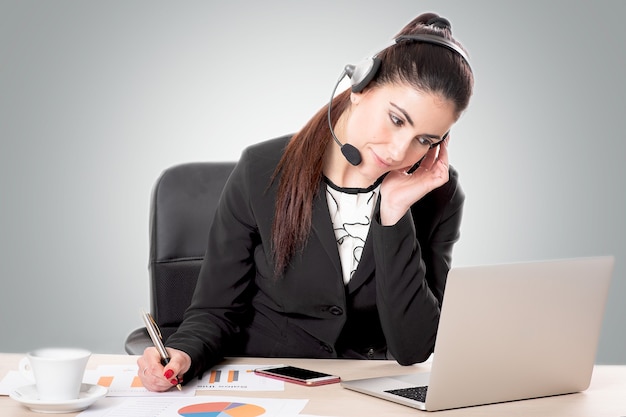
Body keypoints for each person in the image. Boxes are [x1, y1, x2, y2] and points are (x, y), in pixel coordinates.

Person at [138, 11, 474, 392]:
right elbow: (215, 311)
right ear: (361, 89)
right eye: (397, 120)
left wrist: (394, 215)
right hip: (268, 386)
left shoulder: (437, 196)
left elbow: (414, 348)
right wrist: (182, 353)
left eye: (426, 140)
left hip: (362, 394)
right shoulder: (260, 171)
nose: (400, 151)